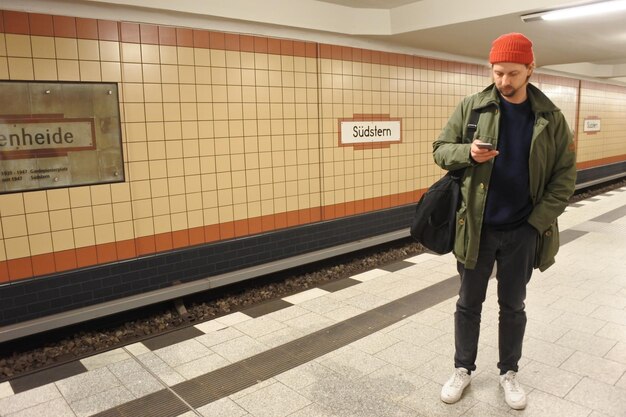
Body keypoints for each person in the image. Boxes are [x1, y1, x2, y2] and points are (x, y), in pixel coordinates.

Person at [433, 33, 577, 410]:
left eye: (513, 73)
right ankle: (462, 369)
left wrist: (535, 224)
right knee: (468, 303)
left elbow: (565, 177)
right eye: (498, 73)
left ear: (531, 68)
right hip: (475, 229)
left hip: (521, 231)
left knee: (513, 306)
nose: (504, 81)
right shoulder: (472, 107)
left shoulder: (551, 118)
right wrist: (469, 153)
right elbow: (440, 151)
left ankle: (508, 373)